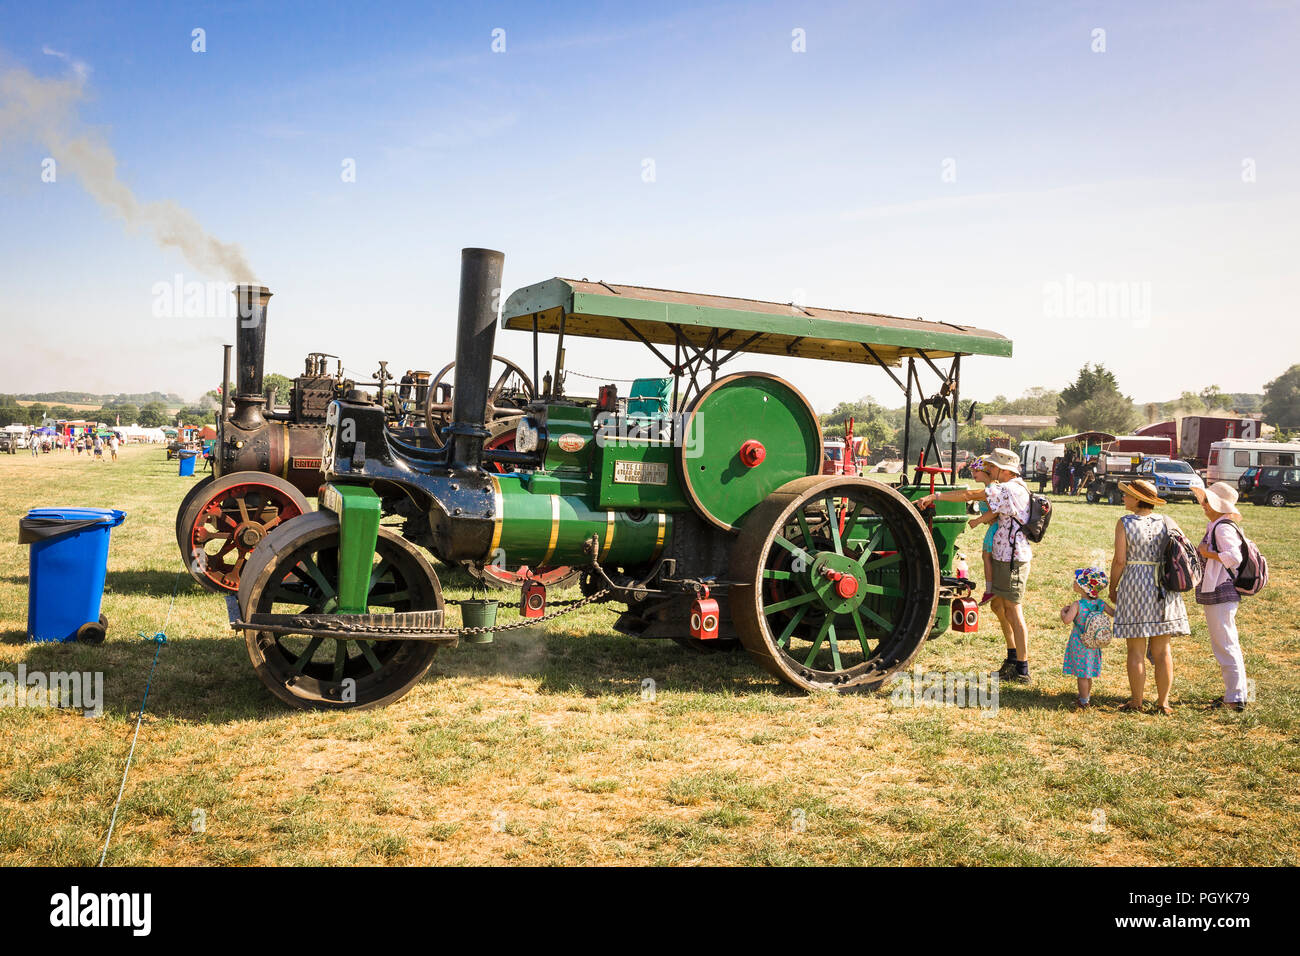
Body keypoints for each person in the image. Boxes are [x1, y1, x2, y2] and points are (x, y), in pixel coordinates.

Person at [917, 446, 1033, 682]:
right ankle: (1012, 658)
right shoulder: (1009, 487)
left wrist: (935, 496)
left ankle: (1023, 668)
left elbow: (969, 496)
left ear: (1003, 469)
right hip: (1003, 555)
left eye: (991, 466)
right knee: (998, 608)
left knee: (1013, 610)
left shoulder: (1009, 489)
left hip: (1013, 558)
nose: (988, 470)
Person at [1110, 479, 1189, 714]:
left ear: (1136, 498)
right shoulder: (1167, 522)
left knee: (1135, 649)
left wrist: (1113, 587)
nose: (1123, 497)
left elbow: (1120, 560)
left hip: (1135, 583)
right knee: (1162, 650)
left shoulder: (1124, 523)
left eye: (1127, 494)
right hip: (1163, 585)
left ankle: (1136, 701)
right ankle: (1163, 702)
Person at [1192, 482, 1249, 711]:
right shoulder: (1217, 525)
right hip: (1221, 590)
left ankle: (1235, 698)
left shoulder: (1222, 527)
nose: (1203, 505)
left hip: (1222, 589)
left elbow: (1235, 557)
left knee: (1225, 644)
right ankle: (1239, 693)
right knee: (1226, 642)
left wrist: (1208, 553)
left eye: (1207, 501)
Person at [1060, 567, 1115, 710]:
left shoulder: (1077, 605)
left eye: (1077, 581)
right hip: (1094, 643)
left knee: (1082, 675)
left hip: (1080, 643)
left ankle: (1083, 701)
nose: (1074, 582)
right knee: (1088, 671)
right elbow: (1114, 613)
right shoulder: (1100, 604)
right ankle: (1086, 695)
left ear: (1085, 588)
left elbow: (1067, 620)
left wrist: (1063, 612)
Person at [964, 456, 998, 606]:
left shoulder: (991, 489)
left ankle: (990, 590)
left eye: (975, 470)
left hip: (995, 528)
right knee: (987, 557)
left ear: (985, 471)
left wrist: (977, 521)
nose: (972, 472)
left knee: (987, 557)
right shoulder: (988, 488)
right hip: (992, 527)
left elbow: (995, 512)